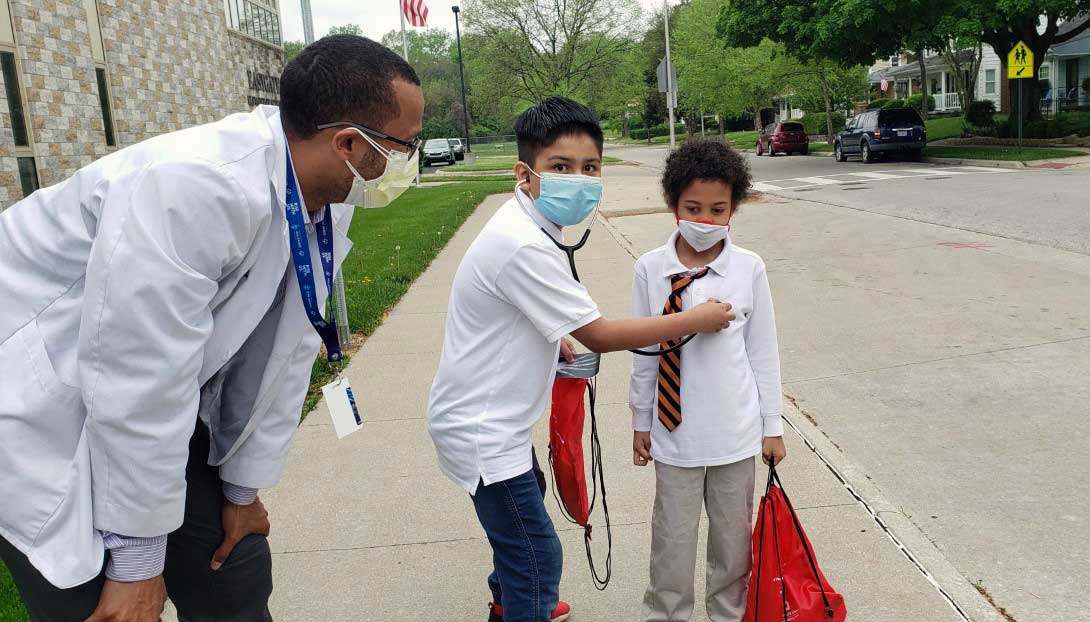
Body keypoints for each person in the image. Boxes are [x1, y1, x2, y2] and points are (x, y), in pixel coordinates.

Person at [0, 36, 423, 622]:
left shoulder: (325, 190)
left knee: (235, 573)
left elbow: (282, 351)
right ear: (348, 141)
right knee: (98, 603)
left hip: (146, 395)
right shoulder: (193, 186)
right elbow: (138, 373)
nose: (410, 159)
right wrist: (139, 564)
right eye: (405, 144)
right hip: (33, 399)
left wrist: (241, 491)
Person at [426, 97, 736, 622]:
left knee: (522, 518)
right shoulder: (524, 244)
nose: (579, 178)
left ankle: (509, 603)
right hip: (483, 429)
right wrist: (693, 319)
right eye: (560, 167)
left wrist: (555, 337)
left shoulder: (527, 223)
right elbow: (602, 334)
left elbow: (533, 313)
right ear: (526, 174)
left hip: (487, 420)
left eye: (589, 167)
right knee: (537, 555)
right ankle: (523, 605)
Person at [629, 139, 787, 622]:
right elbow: (643, 351)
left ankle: (729, 616)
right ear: (672, 206)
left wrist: (772, 425)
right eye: (692, 207)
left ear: (734, 208)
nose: (705, 219)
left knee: (733, 549)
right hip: (674, 437)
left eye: (718, 209)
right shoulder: (651, 269)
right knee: (671, 546)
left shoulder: (748, 268)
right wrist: (641, 418)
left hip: (735, 436)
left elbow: (763, 351)